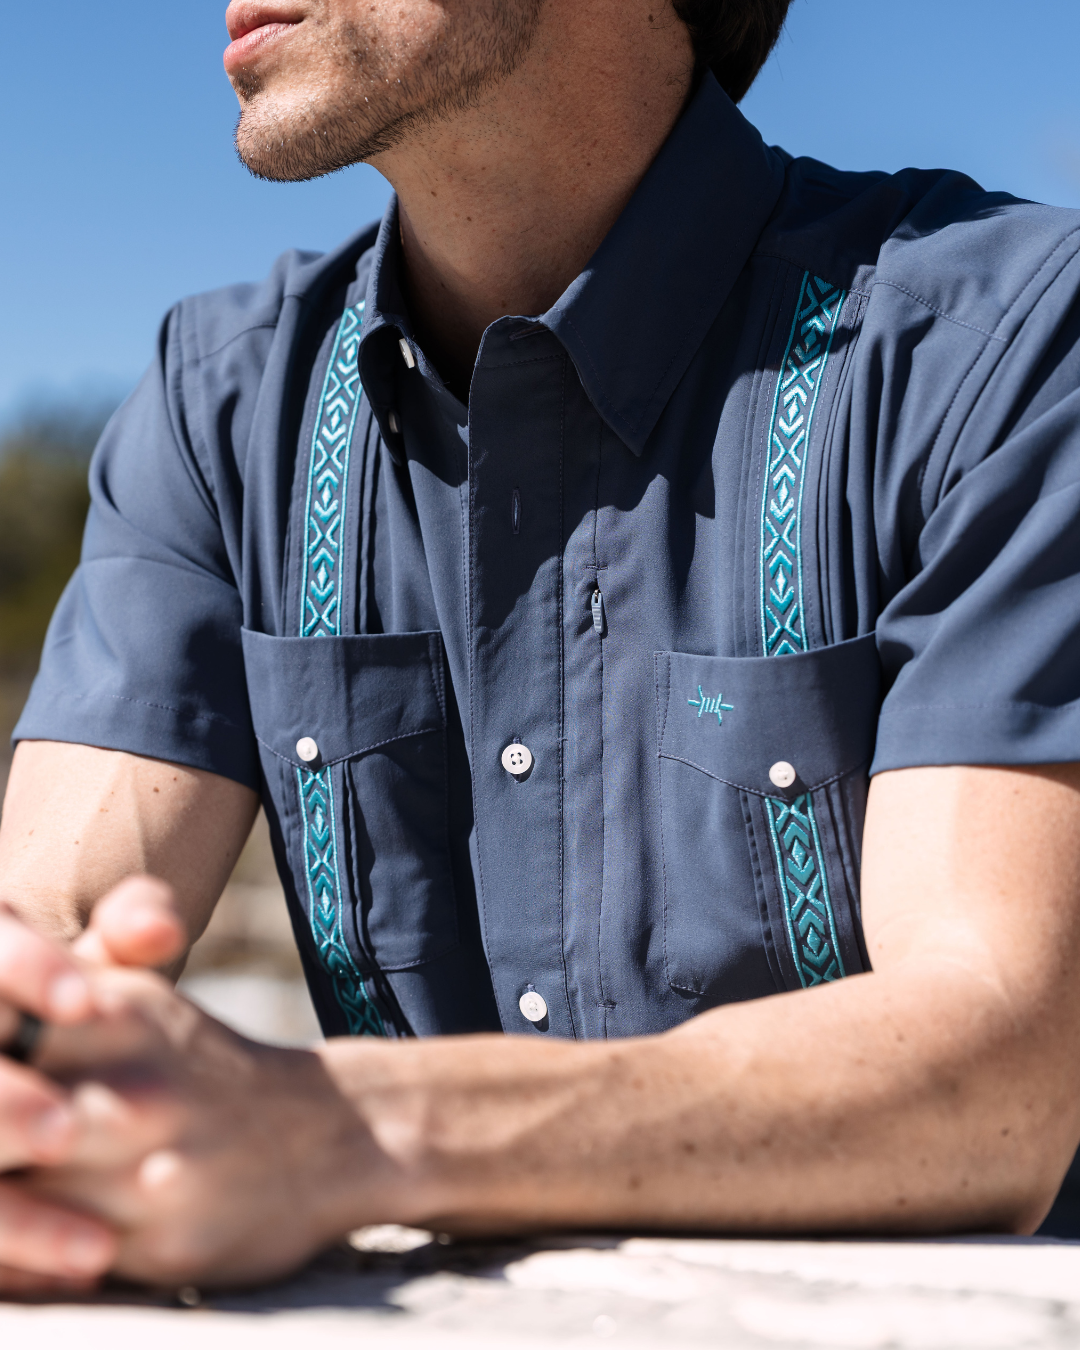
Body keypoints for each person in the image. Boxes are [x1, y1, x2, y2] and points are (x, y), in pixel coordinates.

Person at [2, 0, 1080, 1292]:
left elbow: (1000, 1069)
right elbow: (42, 939)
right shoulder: (218, 407)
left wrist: (342, 1130)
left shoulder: (1010, 350)